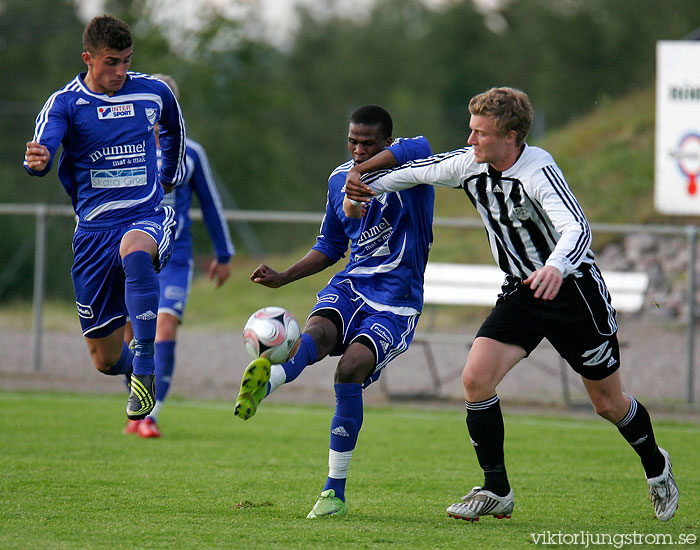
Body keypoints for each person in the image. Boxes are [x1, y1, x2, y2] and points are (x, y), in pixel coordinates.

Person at [344, 87, 679, 522]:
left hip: (573, 295)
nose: (471, 141)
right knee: (476, 379)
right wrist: (362, 184)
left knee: (607, 404)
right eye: (471, 131)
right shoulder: (469, 165)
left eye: (480, 133)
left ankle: (657, 467)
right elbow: (416, 171)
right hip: (521, 292)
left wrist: (556, 266)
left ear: (511, 137)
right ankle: (496, 488)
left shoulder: (538, 169)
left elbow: (575, 227)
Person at [234, 105, 434, 518]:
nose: (359, 150)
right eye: (353, 142)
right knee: (319, 332)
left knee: (350, 368)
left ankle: (333, 491)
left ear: (386, 143)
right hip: (351, 285)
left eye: (369, 143)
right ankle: (269, 380)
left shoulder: (412, 172)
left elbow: (423, 144)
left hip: (395, 301)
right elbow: (330, 246)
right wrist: (284, 276)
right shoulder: (337, 180)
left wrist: (361, 175)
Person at [23, 15, 186, 421]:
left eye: (127, 61)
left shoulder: (153, 93)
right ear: (88, 59)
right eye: (111, 62)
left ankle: (146, 366)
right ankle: (131, 368)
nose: (120, 71)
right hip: (93, 233)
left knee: (136, 252)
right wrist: (38, 161)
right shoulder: (66, 102)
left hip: (145, 215)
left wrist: (167, 177)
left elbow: (174, 131)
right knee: (104, 359)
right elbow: (43, 145)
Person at [123, 74, 235, 438]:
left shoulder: (191, 153)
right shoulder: (124, 147)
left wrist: (224, 253)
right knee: (129, 334)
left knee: (164, 324)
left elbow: (211, 205)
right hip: (129, 254)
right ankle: (136, 407)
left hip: (175, 256)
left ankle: (151, 414)